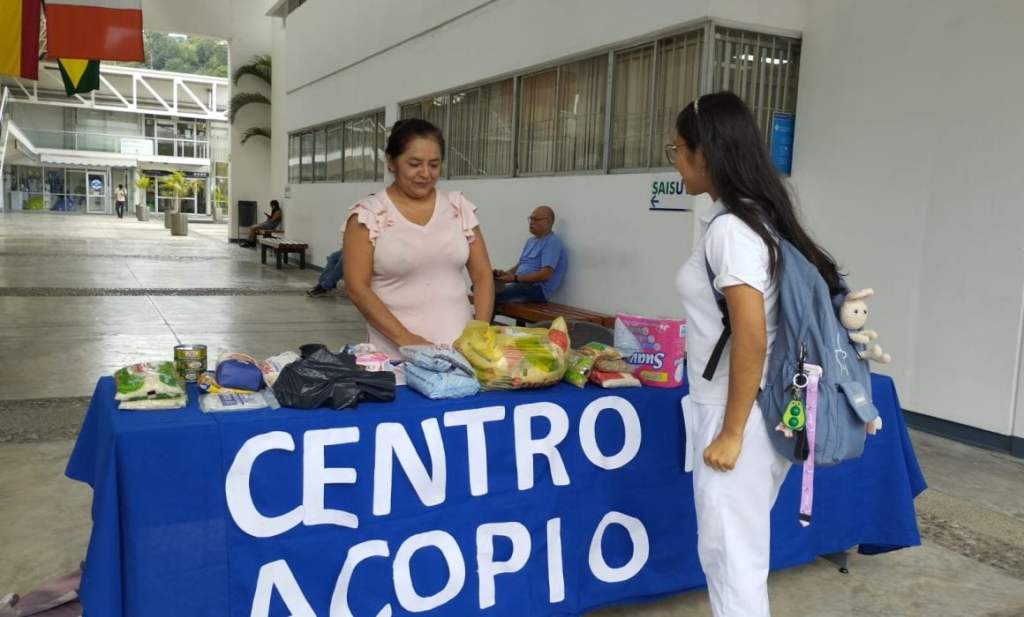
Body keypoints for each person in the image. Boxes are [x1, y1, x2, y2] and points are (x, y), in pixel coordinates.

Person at [671, 92, 842, 617]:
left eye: (677, 149)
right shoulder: (757, 220)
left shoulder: (731, 230)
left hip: (738, 412)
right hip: (753, 408)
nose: (674, 160)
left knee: (732, 564)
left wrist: (730, 432)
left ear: (704, 154)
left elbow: (751, 336)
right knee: (735, 556)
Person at [342, 119, 494, 359]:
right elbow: (357, 288)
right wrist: (410, 341)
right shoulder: (369, 215)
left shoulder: (458, 207)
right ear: (391, 162)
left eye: (434, 164)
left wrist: (479, 331)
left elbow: (483, 274)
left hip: (461, 353)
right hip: (396, 354)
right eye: (414, 164)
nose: (425, 173)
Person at [492, 205, 567, 304]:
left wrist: (515, 278)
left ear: (548, 222)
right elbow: (520, 265)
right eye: (531, 219)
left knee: (490, 295)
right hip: (521, 284)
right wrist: (504, 274)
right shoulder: (530, 241)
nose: (531, 222)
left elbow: (545, 275)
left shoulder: (552, 242)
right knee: (486, 287)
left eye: (536, 219)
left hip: (537, 289)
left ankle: (485, 314)